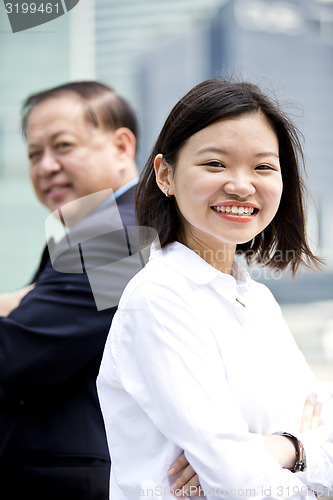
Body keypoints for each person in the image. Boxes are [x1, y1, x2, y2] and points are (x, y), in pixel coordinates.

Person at [97, 78, 333, 499]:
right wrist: (298, 450)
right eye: (215, 164)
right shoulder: (158, 297)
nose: (242, 185)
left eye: (263, 166)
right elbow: (237, 482)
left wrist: (278, 449)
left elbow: (322, 433)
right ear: (165, 174)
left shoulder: (258, 301)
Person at [0, 81, 141, 500]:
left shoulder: (120, 232)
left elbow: (15, 354)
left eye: (62, 146)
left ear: (121, 147)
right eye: (33, 154)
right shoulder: (102, 229)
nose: (45, 167)